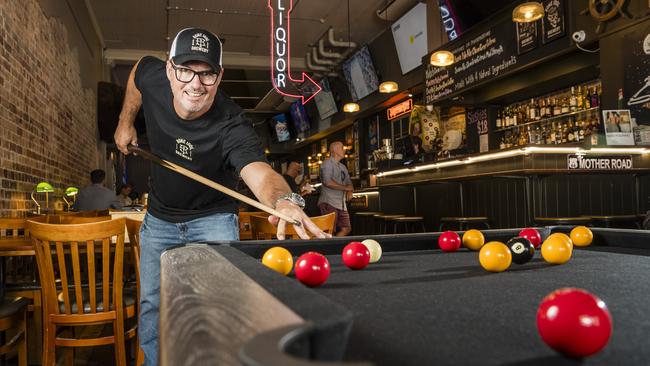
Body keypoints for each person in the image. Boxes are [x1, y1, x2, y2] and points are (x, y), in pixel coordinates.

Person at [113, 27, 327, 366]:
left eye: (207, 73)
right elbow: (139, 69)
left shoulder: (232, 124)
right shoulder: (153, 77)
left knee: (220, 311)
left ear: (219, 76)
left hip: (212, 221)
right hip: (160, 219)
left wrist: (284, 200)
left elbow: (261, 173)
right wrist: (126, 122)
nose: (195, 84)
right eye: (185, 70)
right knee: (153, 305)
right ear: (169, 69)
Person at [318, 141, 353, 236]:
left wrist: (350, 190)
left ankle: (333, 245)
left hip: (341, 203)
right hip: (328, 202)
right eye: (342, 148)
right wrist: (346, 188)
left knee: (346, 228)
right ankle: (328, 248)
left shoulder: (343, 167)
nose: (344, 150)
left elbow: (349, 182)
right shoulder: (327, 163)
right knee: (329, 230)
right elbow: (327, 182)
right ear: (335, 150)